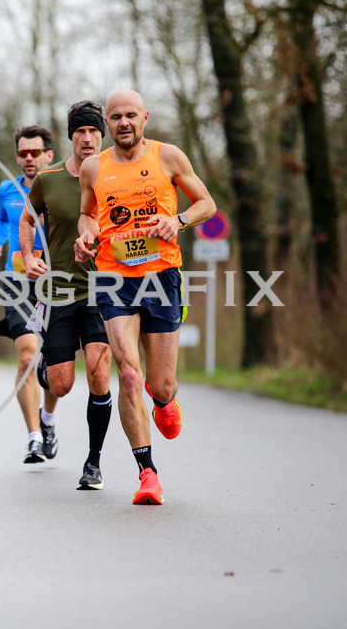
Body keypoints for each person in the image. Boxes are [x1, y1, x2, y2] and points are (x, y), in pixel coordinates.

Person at [74, 88, 216, 505]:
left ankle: (165, 401)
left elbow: (207, 203)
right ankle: (147, 473)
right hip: (112, 278)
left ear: (145, 118)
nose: (122, 123)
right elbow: (87, 212)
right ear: (108, 124)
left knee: (160, 383)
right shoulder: (92, 168)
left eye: (130, 115)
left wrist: (179, 220)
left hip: (162, 275)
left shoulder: (168, 157)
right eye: (115, 117)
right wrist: (86, 235)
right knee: (129, 374)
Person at [20, 101, 114, 490]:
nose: (87, 138)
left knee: (98, 372)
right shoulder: (49, 177)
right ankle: (47, 365)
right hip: (59, 290)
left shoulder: (115, 175)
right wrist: (28, 256)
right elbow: (27, 219)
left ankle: (92, 462)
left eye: (94, 131)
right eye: (80, 131)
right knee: (60, 384)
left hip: (104, 290)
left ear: (101, 136)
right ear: (71, 136)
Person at [0, 125, 59, 463]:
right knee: (28, 355)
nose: (29, 159)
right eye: (23, 153)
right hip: (17, 281)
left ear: (50, 155)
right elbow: (2, 219)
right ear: (17, 156)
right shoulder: (7, 189)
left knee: (57, 369)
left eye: (36, 152)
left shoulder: (65, 187)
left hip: (58, 283)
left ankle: (47, 419)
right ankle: (33, 437)